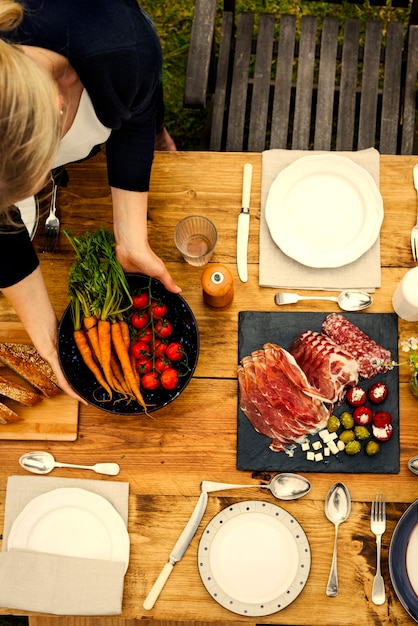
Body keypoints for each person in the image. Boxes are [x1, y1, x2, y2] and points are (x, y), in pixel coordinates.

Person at [0, 0, 180, 402]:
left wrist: (131, 235)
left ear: (58, 104)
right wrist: (48, 339)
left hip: (113, 46)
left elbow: (136, 109)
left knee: (140, 105)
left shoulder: (122, 47)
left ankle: (162, 136)